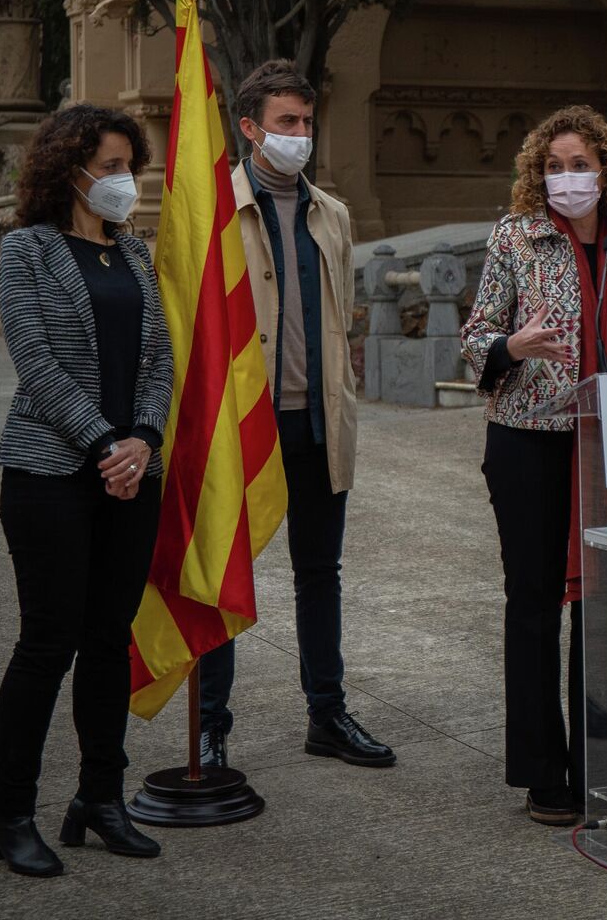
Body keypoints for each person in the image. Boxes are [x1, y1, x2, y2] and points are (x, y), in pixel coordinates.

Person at [459, 104, 607, 826]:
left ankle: (599, 764)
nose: (568, 178)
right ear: (539, 173)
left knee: (600, 607)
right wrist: (513, 347)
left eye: (581, 164)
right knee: (534, 603)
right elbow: (476, 339)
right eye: (555, 166)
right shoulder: (516, 237)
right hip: (530, 437)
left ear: (606, 169)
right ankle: (543, 774)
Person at [0, 104, 171, 876]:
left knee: (108, 641)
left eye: (133, 165)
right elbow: (36, 362)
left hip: (132, 476)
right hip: (51, 475)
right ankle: (9, 816)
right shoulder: (26, 250)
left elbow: (160, 357)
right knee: (46, 644)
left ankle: (100, 799)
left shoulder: (135, 256)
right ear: (72, 170)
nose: (127, 181)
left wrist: (144, 440)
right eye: (115, 166)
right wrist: (104, 443)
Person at [194, 61, 392, 770]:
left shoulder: (332, 215)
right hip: (246, 424)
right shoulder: (217, 210)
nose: (300, 135)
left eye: (307, 122)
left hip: (317, 422)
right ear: (250, 128)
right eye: (287, 122)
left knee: (319, 571)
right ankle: (210, 728)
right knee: (225, 575)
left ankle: (327, 713)